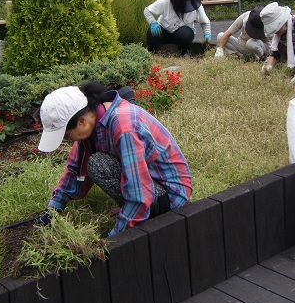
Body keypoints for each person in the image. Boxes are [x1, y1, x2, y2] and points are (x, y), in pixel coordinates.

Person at [36, 81, 192, 236]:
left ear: (82, 121)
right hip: (150, 182)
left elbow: (139, 194)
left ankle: (144, 213)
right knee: (97, 163)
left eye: (67, 136)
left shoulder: (124, 128)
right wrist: (54, 208)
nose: (68, 140)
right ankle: (136, 211)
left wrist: (114, 238)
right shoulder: (94, 120)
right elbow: (74, 167)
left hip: (171, 197)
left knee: (99, 164)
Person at [248, 2, 295, 83]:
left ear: (282, 22)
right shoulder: (282, 33)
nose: (275, 32)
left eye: (276, 29)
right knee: (281, 47)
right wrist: (268, 67)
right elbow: (275, 52)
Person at [144, 0, 212, 56]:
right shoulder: (165, 1)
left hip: (182, 34)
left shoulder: (195, 5)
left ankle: (184, 53)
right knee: (151, 33)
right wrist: (152, 22)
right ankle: (151, 53)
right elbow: (147, 10)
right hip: (163, 32)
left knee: (185, 34)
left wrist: (207, 34)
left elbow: (205, 22)